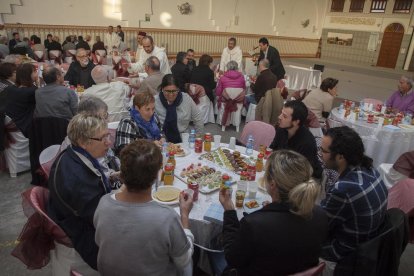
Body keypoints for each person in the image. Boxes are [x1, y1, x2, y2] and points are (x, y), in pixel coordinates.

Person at [219, 149, 328, 275]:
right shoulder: (321, 214)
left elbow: (232, 259)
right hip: (299, 269)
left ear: (272, 184)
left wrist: (229, 212)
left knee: (212, 249)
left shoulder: (254, 224)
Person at [94, 140, 194, 275]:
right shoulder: (166, 217)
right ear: (156, 177)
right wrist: (185, 216)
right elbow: (184, 259)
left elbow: (100, 241)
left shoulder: (103, 203)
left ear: (122, 174)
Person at [48, 114, 111, 271]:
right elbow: (103, 220)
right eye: (103, 138)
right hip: (86, 235)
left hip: (78, 217)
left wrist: (113, 177)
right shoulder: (78, 180)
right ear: (83, 142)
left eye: (108, 135)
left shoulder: (72, 153)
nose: (108, 142)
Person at [320, 126, 388, 267]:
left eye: (324, 151)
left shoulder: (344, 189)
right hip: (369, 244)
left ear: (340, 156)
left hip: (346, 253)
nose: (320, 154)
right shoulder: (370, 170)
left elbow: (318, 226)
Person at [269, 100, 323, 179]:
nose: (279, 117)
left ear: (296, 122)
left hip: (304, 180)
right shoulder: (281, 129)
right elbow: (274, 149)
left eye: (284, 116)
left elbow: (303, 173)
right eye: (281, 113)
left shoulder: (307, 143)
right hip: (283, 170)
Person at [155, 74, 203, 143]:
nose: (171, 95)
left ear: (178, 89)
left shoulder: (186, 99)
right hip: (162, 140)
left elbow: (198, 119)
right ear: (162, 89)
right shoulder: (155, 101)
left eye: (174, 91)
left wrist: (198, 138)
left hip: (184, 139)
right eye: (167, 91)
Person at [4, 63, 37, 137]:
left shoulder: (10, 89)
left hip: (10, 126)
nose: (36, 73)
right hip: (24, 127)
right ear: (29, 75)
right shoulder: (32, 91)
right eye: (34, 71)